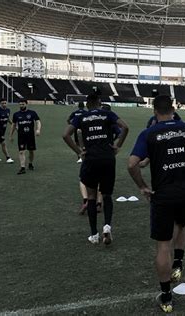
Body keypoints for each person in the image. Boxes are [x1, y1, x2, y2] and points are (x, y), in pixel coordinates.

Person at [127, 95, 185, 313]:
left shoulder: (149, 133)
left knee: (162, 245)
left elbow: (132, 164)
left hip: (163, 195)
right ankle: (178, 263)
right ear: (174, 109)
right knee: (181, 224)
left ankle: (166, 297)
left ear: (154, 111)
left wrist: (142, 187)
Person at [63, 94, 129, 245]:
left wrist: (79, 151)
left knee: (91, 196)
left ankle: (94, 234)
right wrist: (117, 146)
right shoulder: (108, 114)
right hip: (107, 158)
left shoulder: (82, 117)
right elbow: (125, 127)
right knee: (107, 195)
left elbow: (65, 134)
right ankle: (107, 226)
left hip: (91, 159)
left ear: (87, 104)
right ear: (100, 103)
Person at [10, 100, 41, 175]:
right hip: (21, 136)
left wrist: (38, 129)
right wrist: (11, 135)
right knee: (21, 151)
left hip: (30, 136)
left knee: (31, 151)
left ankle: (30, 163)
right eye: (20, 104)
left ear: (26, 104)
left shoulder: (32, 113)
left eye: (23, 104)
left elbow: (38, 121)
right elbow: (13, 125)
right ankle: (22, 168)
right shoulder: (16, 114)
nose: (21, 106)